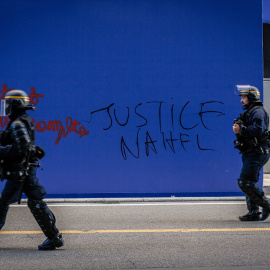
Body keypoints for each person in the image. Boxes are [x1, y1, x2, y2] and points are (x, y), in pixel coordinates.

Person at [0, 90, 64, 250]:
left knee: (35, 203)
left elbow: (21, 149)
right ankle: (54, 238)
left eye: (8, 104)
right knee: (3, 202)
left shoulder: (18, 123)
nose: (6, 107)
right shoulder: (21, 120)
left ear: (15, 105)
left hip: (23, 172)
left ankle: (54, 238)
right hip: (19, 172)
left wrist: (1, 151)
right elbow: (15, 139)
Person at [233, 85, 270, 221]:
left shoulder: (258, 112)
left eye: (244, 97)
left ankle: (267, 205)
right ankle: (254, 212)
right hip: (251, 151)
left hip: (257, 152)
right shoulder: (251, 111)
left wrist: (240, 130)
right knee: (250, 181)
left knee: (245, 182)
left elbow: (258, 130)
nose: (242, 100)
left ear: (251, 97)